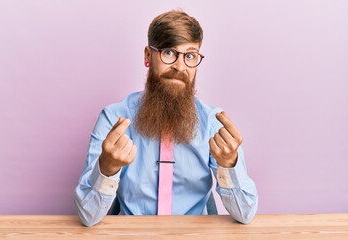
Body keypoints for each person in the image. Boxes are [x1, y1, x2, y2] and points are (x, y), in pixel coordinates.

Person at [74, 9, 258, 227]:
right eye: (169, 53)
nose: (180, 66)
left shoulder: (212, 123)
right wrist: (106, 169)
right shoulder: (113, 119)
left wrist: (230, 164)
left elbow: (245, 213)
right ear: (147, 56)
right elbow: (88, 216)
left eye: (190, 56)